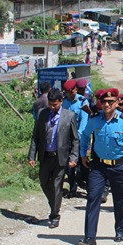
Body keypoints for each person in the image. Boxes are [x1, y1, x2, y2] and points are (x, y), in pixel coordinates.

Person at [78, 88, 123, 245]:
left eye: (110, 102)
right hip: (98, 165)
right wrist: (83, 153)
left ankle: (119, 229)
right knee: (93, 198)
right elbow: (84, 135)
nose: (107, 104)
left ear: (117, 103)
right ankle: (90, 237)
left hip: (119, 166)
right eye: (104, 102)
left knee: (119, 200)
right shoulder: (95, 119)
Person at [28, 89, 80, 228]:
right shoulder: (42, 114)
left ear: (61, 102)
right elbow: (36, 136)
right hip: (45, 157)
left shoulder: (69, 116)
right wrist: (32, 155)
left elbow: (75, 139)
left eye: (55, 105)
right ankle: (54, 204)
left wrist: (74, 157)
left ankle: (54, 215)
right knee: (44, 184)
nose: (52, 107)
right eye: (50, 104)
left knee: (57, 186)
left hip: (60, 159)